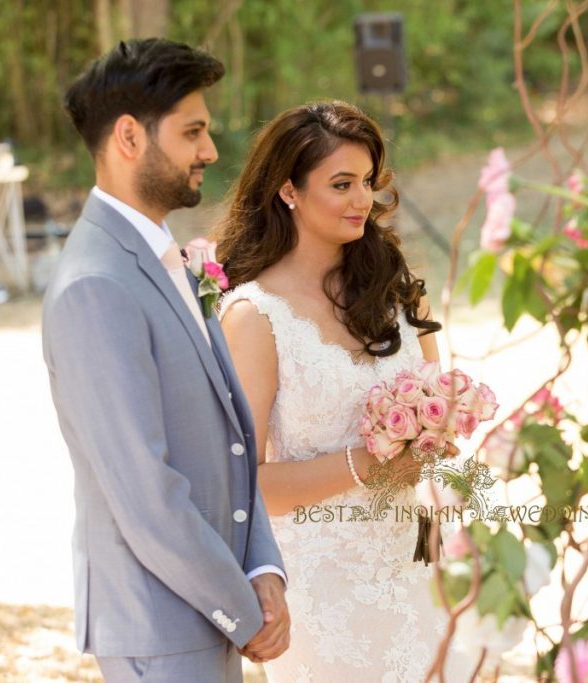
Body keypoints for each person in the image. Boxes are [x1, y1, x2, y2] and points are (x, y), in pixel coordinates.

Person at [42, 39, 289, 682]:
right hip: (159, 627)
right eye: (193, 132)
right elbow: (144, 492)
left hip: (203, 614)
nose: (209, 150)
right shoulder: (94, 284)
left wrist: (263, 570)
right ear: (130, 137)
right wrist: (244, 606)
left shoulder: (164, 257)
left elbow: (234, 440)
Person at [214, 101, 472, 681]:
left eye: (368, 183)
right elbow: (244, 486)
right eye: (342, 184)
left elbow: (437, 432)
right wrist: (366, 465)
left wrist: (439, 533)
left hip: (419, 568)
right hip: (323, 593)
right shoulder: (257, 318)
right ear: (289, 191)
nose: (363, 200)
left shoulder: (400, 292)